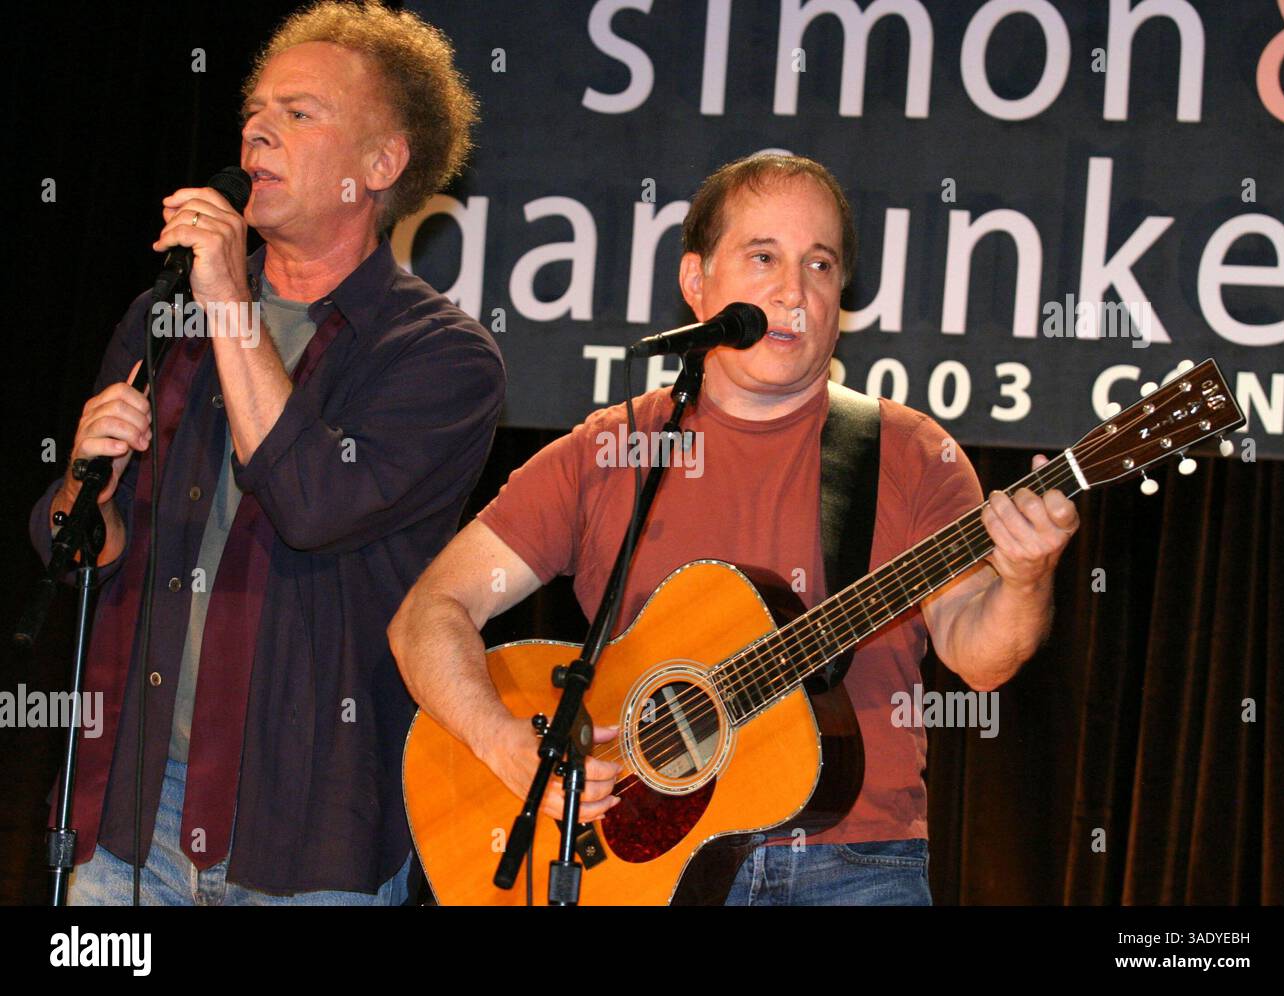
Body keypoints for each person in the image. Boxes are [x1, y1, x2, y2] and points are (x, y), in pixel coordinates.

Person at [387, 153, 1079, 906]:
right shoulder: (608, 450)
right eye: (763, 257)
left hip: (855, 870)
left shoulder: (910, 453)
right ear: (697, 283)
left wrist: (1025, 577)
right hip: (636, 875)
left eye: (820, 265)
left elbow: (979, 659)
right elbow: (430, 614)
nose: (794, 291)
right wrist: (506, 744)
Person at [28, 1, 504, 905]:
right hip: (131, 808)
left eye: (299, 113)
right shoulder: (162, 315)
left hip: (308, 827)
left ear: (379, 165)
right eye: (255, 111)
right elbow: (76, 554)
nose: (257, 130)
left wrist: (227, 302)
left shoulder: (439, 356)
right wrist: (87, 491)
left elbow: (314, 506)